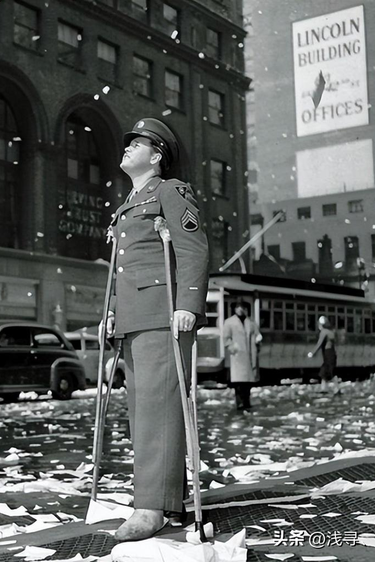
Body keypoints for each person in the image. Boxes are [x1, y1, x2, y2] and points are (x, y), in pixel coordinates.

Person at [101, 118, 209, 542]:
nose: (127, 148)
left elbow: (193, 248)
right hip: (135, 317)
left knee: (157, 412)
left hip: (163, 314)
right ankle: (166, 502)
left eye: (137, 144)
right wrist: (112, 310)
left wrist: (188, 304)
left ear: (157, 155)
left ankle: (150, 508)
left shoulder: (170, 191)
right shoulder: (129, 201)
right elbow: (123, 267)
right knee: (145, 413)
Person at [223, 301, 262, 411]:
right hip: (238, 356)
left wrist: (258, 341)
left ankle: (246, 402)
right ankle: (239, 403)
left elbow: (257, 335)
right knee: (238, 382)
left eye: (242, 307)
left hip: (250, 356)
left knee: (248, 383)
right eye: (238, 307)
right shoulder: (229, 322)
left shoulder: (251, 322)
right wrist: (233, 348)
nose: (240, 309)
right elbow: (226, 338)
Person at [307, 315, 337, 392]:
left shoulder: (323, 332)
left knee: (324, 373)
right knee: (328, 373)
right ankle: (328, 389)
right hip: (332, 353)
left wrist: (312, 353)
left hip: (327, 353)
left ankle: (329, 389)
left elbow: (319, 344)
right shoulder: (330, 332)